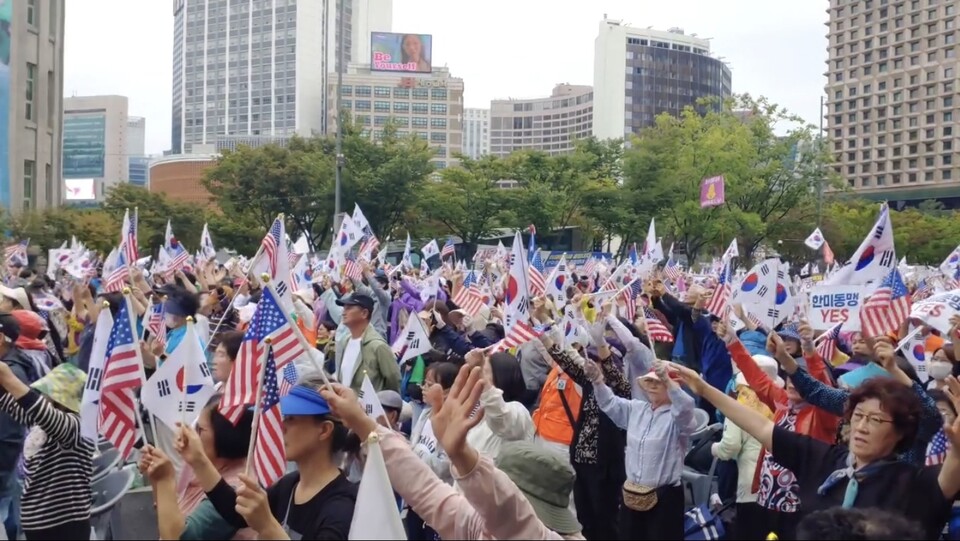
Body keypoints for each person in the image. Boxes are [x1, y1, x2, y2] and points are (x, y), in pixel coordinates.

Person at [674, 366, 960, 540]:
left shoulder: (912, 483)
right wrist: (703, 388)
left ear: (900, 432)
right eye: (858, 416)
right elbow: (760, 425)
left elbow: (952, 470)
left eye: (875, 420)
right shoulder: (825, 461)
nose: (861, 427)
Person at [320, 364, 585, 540]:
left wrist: (463, 458)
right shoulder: (480, 530)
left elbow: (507, 510)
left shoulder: (532, 533)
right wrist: (363, 424)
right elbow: (427, 491)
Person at [175, 373, 357, 540]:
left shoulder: (341, 506)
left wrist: (268, 525)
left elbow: (263, 522)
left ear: (324, 430)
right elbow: (239, 515)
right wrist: (199, 461)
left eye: (291, 419)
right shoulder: (291, 484)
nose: (281, 426)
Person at [586, 356, 697, 540]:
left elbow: (686, 409)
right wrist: (598, 381)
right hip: (632, 495)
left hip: (664, 499)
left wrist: (669, 381)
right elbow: (610, 403)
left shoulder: (677, 418)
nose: (653, 385)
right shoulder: (637, 409)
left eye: (658, 382)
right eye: (650, 381)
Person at [139, 396, 256, 540]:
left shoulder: (236, 489)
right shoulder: (201, 471)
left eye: (200, 429)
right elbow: (169, 517)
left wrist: (165, 480)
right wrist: (157, 478)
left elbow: (179, 537)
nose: (191, 435)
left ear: (225, 436)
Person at [0, 362, 93, 540]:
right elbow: (13, 404)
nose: (42, 396)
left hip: (65, 527)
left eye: (47, 393)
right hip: (38, 526)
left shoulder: (77, 427)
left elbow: (42, 412)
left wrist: (8, 377)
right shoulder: (40, 424)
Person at [0, 313, 38, 540]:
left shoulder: (11, 373)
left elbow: (9, 429)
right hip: (11, 458)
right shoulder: (15, 362)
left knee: (7, 514)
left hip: (7, 458)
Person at [333, 293, 400, 393]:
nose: (343, 312)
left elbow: (393, 382)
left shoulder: (378, 346)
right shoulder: (344, 341)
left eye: (349, 308)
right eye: (344, 308)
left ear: (364, 313)